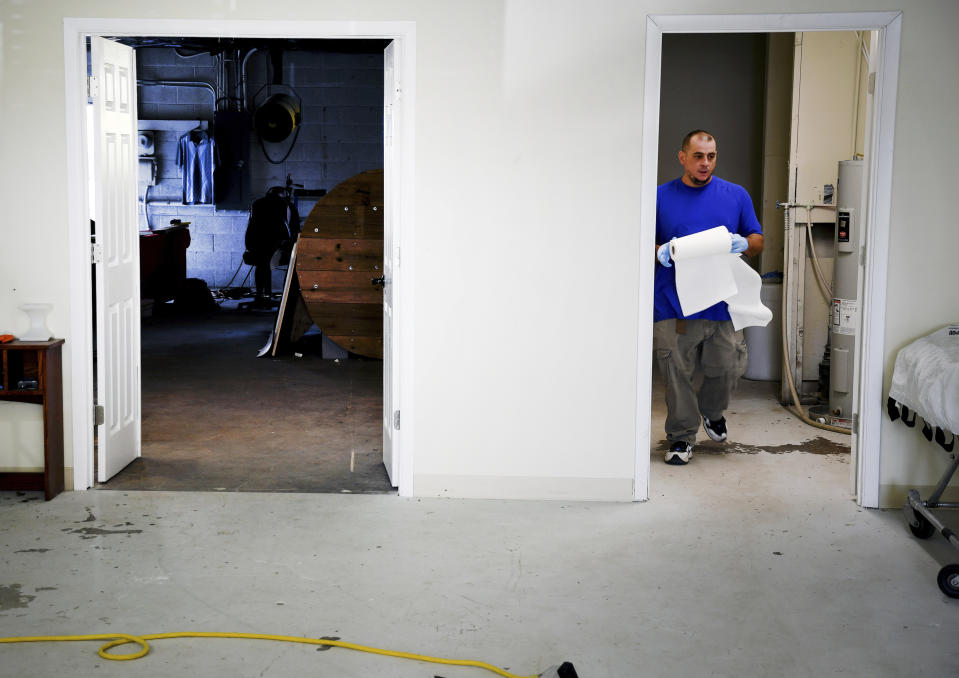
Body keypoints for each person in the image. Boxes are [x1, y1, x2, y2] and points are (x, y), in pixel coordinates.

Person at [654, 130, 764, 465]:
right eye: (698, 156)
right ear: (682, 156)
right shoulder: (659, 197)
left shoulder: (735, 195)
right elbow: (636, 239)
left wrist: (745, 244)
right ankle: (682, 437)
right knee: (677, 373)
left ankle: (712, 410)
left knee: (726, 366)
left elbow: (757, 239)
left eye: (711, 156)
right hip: (672, 301)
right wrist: (658, 250)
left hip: (721, 300)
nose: (705, 163)